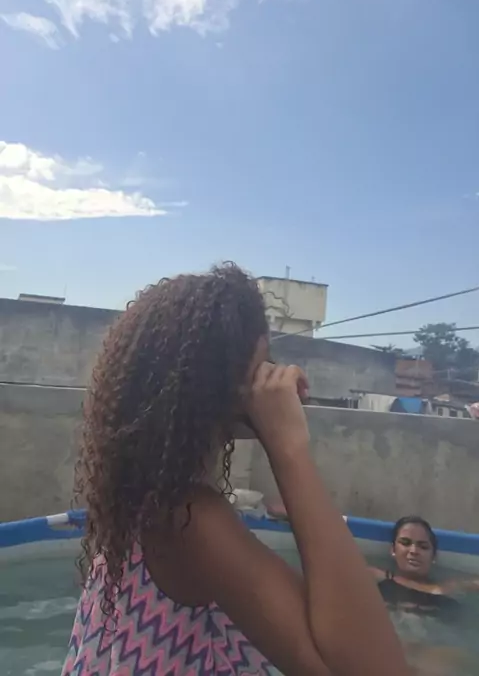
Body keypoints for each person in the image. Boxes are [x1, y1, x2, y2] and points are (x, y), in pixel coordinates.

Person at [62, 264, 410, 676]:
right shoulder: (191, 518)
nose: (275, 378)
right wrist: (290, 450)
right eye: (263, 366)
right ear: (211, 385)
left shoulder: (146, 499)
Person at [372, 515, 479, 617]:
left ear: (433, 556)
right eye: (405, 543)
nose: (414, 551)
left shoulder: (447, 591)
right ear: (393, 550)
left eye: (423, 547)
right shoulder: (375, 577)